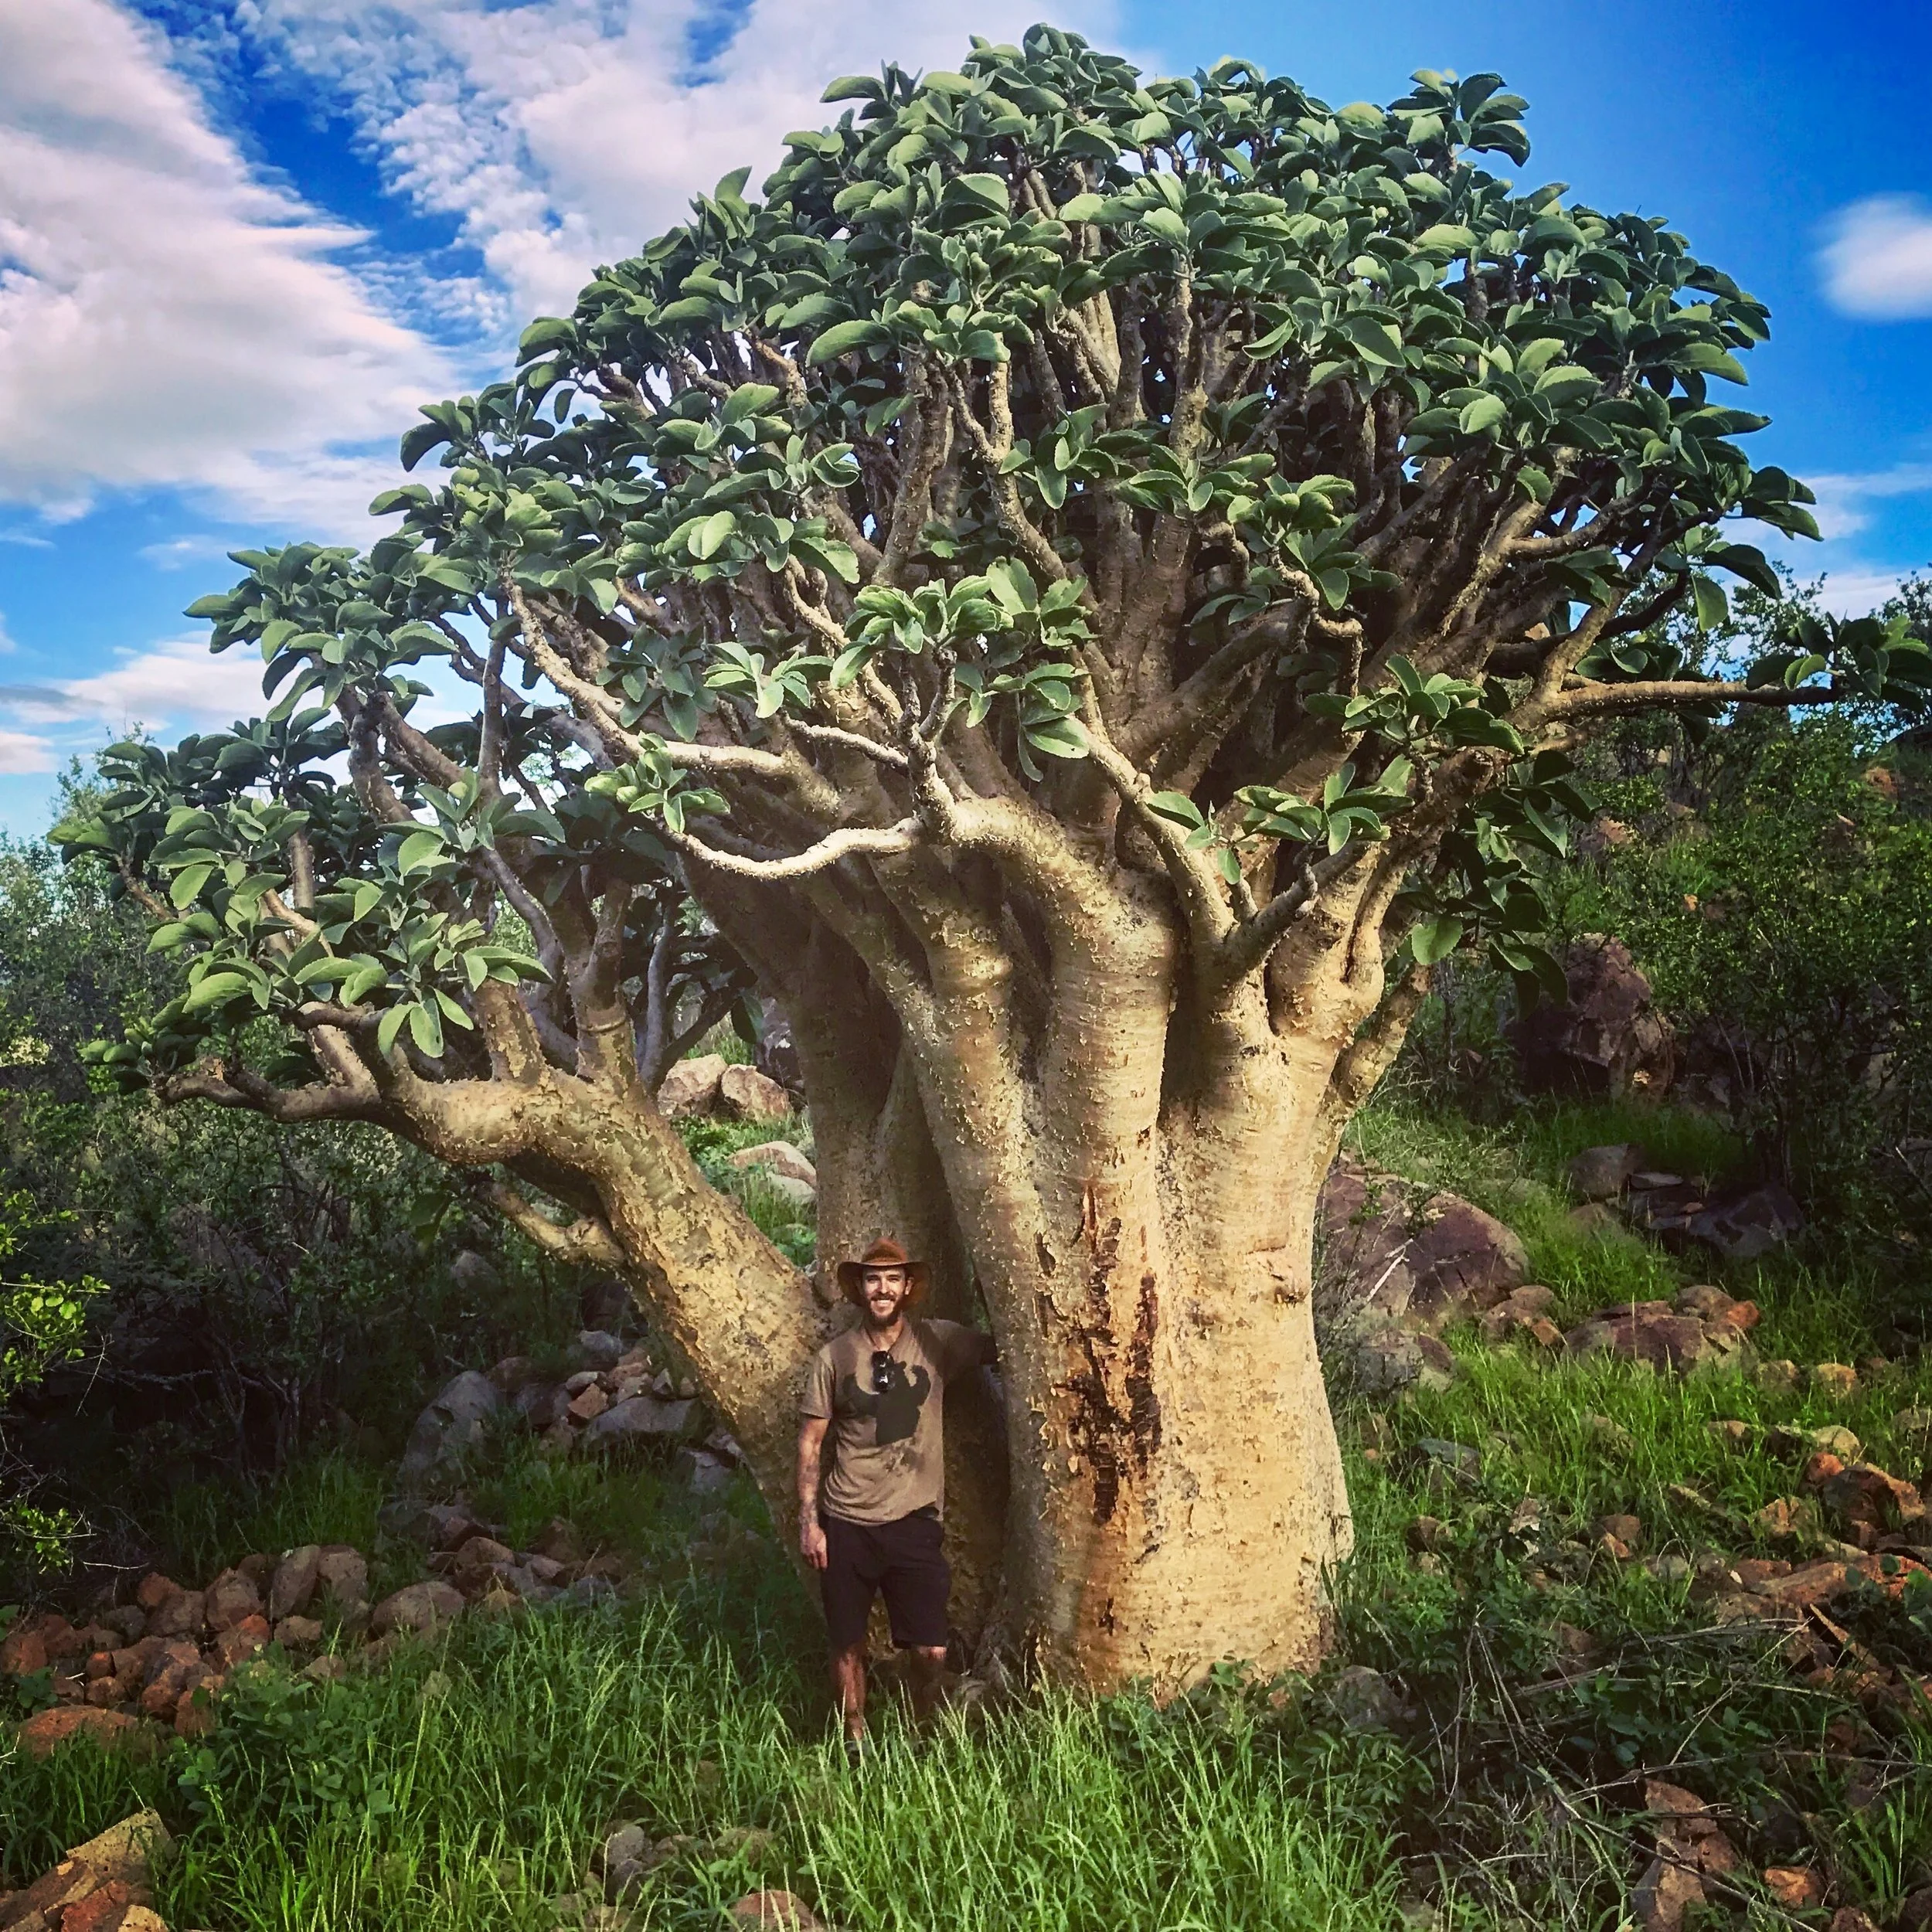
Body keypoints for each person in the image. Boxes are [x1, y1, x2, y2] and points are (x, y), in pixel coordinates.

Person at [797, 1236, 996, 1754]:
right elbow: (811, 1442)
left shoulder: (938, 1343)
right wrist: (809, 1522)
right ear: (860, 1289)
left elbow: (1004, 1344)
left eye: (892, 1279)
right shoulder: (835, 1358)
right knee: (847, 1642)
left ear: (907, 1288)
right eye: (872, 1279)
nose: (882, 1289)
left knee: (929, 1648)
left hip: (914, 1521)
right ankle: (856, 1742)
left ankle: (922, 1734)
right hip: (846, 1522)